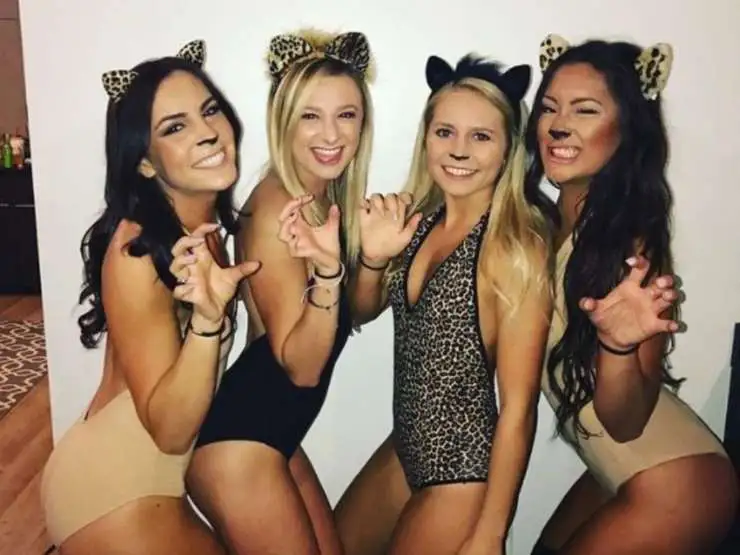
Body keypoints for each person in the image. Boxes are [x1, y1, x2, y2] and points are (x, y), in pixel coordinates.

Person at [39, 40, 260, 555]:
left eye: (210, 111)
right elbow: (169, 431)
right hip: (115, 491)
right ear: (143, 162)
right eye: (175, 127)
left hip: (147, 481)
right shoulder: (137, 248)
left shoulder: (202, 235)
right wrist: (207, 322)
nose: (208, 132)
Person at [334, 53, 554, 555]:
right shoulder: (419, 220)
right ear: (426, 138)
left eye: (481, 137)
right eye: (445, 132)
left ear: (508, 148)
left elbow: (519, 408)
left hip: (461, 474)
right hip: (404, 450)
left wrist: (490, 535)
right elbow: (361, 312)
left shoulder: (512, 247)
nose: (459, 150)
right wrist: (373, 259)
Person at [528, 34, 738, 555]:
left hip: (677, 485)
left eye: (585, 110)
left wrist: (617, 346)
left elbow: (625, 422)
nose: (558, 125)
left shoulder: (628, 245)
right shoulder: (545, 225)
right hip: (616, 475)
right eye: (549, 107)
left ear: (627, 129)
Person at [186, 29, 375, 555]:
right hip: (239, 447)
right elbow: (302, 368)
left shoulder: (318, 202)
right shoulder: (277, 211)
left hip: (272, 437)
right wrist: (330, 276)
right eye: (310, 115)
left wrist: (374, 257)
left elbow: (354, 313)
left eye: (346, 114)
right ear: (283, 121)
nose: (331, 133)